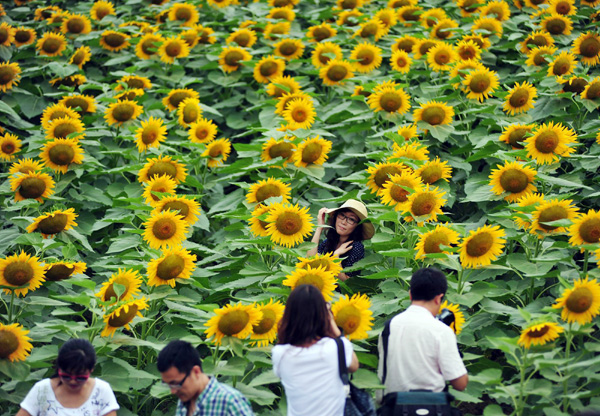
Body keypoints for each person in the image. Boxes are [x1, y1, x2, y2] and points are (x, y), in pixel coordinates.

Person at [377, 267, 468, 397]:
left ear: (410, 295)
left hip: (392, 407)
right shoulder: (441, 331)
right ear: (439, 298)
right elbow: (460, 384)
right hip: (430, 407)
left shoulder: (389, 327)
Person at [272, 284, 359, 416]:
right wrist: (333, 325)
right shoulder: (335, 347)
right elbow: (354, 365)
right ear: (323, 316)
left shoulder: (280, 354)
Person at [17, 338, 119, 416]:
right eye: (66, 376)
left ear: (91, 369)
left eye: (80, 377)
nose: (73, 381)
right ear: (59, 368)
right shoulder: (42, 390)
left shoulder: (101, 391)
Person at [157, 340, 254, 416]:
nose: (173, 391)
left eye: (176, 384)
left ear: (196, 371)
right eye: (168, 385)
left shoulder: (230, 401)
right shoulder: (184, 401)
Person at [306, 199, 375, 281]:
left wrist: (336, 257)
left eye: (351, 219)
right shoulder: (328, 242)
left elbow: (348, 283)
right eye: (342, 215)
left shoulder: (356, 247)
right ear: (336, 217)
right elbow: (310, 261)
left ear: (357, 226)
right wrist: (319, 228)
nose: (344, 222)